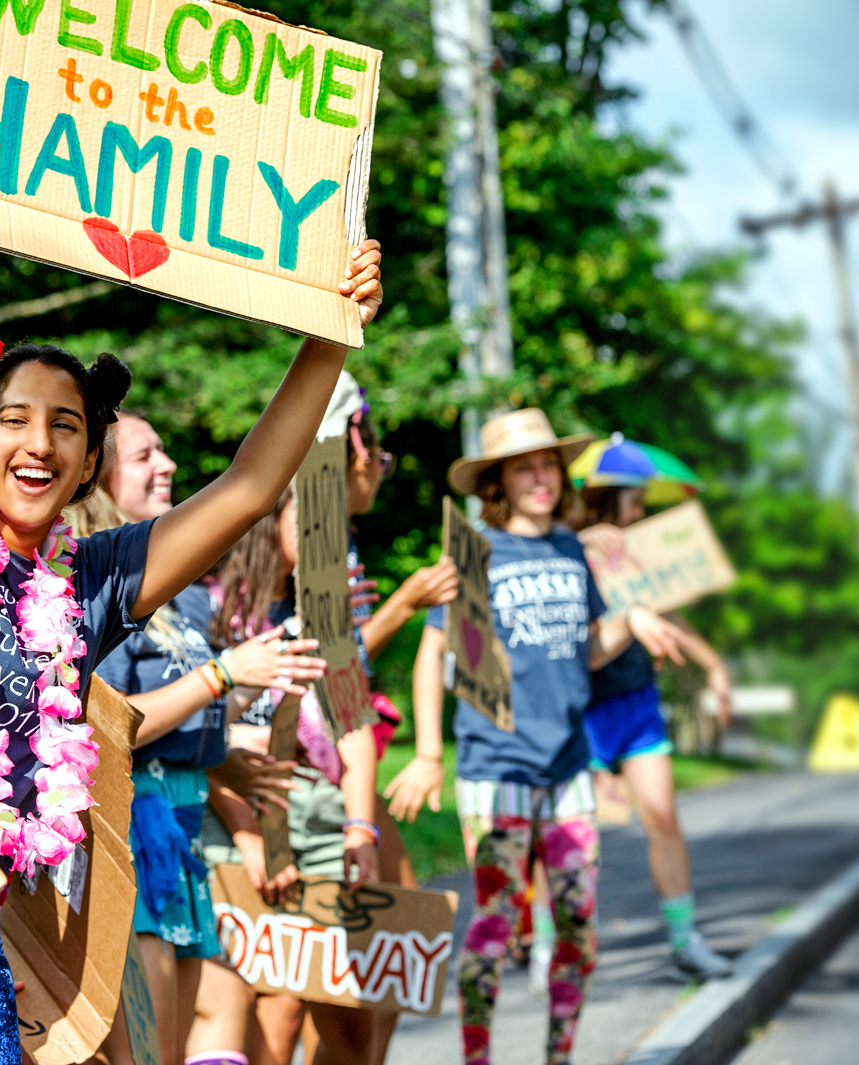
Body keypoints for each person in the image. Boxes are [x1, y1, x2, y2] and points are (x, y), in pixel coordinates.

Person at [0, 37, 384, 1065]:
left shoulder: (90, 585)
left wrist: (331, 331)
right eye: (13, 420)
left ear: (89, 459)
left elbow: (252, 489)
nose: (38, 443)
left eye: (65, 426)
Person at [385, 409, 687, 1065]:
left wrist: (633, 617)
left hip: (570, 766)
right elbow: (434, 651)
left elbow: (588, 651)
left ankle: (559, 1055)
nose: (542, 476)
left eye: (549, 463)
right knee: (495, 927)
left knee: (580, 929)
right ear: (498, 481)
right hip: (497, 770)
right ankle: (477, 1057)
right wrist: (430, 753)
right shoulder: (473, 552)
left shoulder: (570, 547)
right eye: (525, 466)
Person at [91, 413, 328, 1065]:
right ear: (100, 471)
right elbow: (112, 722)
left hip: (187, 835)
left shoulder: (184, 595)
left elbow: (195, 717)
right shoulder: (91, 581)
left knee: (218, 1041)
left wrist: (268, 669)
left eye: (164, 449)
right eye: (146, 454)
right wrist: (223, 673)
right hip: (136, 839)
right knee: (152, 1050)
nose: (166, 463)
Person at [186, 485, 407, 1065]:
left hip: (323, 818)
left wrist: (361, 829)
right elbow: (189, 737)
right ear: (267, 517)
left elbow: (354, 729)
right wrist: (251, 834)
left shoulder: (328, 615)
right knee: (277, 1011)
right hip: (234, 814)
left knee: (353, 1008)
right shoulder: (204, 609)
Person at [573, 482, 733, 979]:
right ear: (606, 499)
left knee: (662, 816)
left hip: (638, 702)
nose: (642, 511)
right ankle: (551, 949)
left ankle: (685, 942)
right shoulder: (570, 545)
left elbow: (669, 613)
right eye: (635, 501)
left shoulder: (640, 557)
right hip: (584, 706)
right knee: (573, 836)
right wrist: (583, 540)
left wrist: (715, 668)